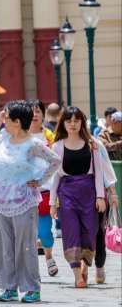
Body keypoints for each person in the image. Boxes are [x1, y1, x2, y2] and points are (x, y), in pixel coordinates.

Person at [0, 101, 60, 303]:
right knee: (5, 246)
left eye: (7, 118)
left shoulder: (33, 144)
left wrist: (40, 181)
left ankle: (32, 288)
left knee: (26, 246)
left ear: (17, 121)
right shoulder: (2, 139)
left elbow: (55, 161)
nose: (4, 121)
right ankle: (9, 287)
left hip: (24, 202)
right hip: (1, 201)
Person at [49, 107, 112, 288]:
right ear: (64, 124)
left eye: (77, 121)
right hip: (67, 194)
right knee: (71, 232)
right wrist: (52, 203)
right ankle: (77, 274)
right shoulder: (57, 146)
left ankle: (85, 264)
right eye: (69, 121)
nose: (73, 124)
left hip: (89, 193)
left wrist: (101, 196)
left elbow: (99, 173)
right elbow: (56, 177)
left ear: (82, 123)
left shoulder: (92, 144)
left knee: (89, 232)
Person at [27, 100, 59, 277]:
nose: (35, 114)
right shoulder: (21, 136)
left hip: (45, 190)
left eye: (38, 111)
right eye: (31, 111)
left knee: (45, 231)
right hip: (24, 192)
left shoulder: (50, 136)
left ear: (43, 114)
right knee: (27, 233)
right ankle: (31, 268)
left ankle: (48, 257)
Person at [95, 110, 121, 284]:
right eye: (117, 121)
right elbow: (104, 148)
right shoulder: (103, 135)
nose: (119, 124)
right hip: (108, 178)